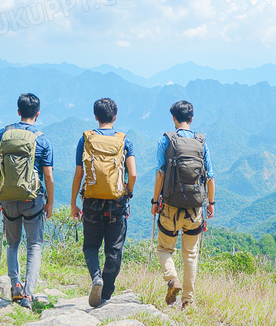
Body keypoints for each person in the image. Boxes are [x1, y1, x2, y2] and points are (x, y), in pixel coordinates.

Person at [0, 93, 54, 310]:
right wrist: (50, 202)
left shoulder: (3, 134)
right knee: (34, 245)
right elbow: (48, 176)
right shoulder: (42, 139)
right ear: (38, 113)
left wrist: (3, 190)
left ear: (18, 111)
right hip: (33, 200)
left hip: (9, 202)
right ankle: (28, 295)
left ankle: (15, 286)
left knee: (12, 244)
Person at [71, 98, 136, 307]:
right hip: (117, 202)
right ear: (115, 117)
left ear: (95, 117)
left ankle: (96, 277)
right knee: (114, 249)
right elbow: (133, 174)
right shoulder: (124, 140)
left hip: (91, 201)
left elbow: (78, 174)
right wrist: (127, 191)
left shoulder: (86, 139)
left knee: (90, 246)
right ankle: (106, 293)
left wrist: (73, 202)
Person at [151, 100, 215, 309]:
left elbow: (160, 174)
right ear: (192, 119)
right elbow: (211, 177)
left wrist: (155, 201)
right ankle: (187, 300)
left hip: (169, 206)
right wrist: (211, 204)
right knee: (191, 253)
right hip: (195, 209)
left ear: (174, 118)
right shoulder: (201, 142)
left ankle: (172, 280)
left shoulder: (167, 141)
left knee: (164, 248)